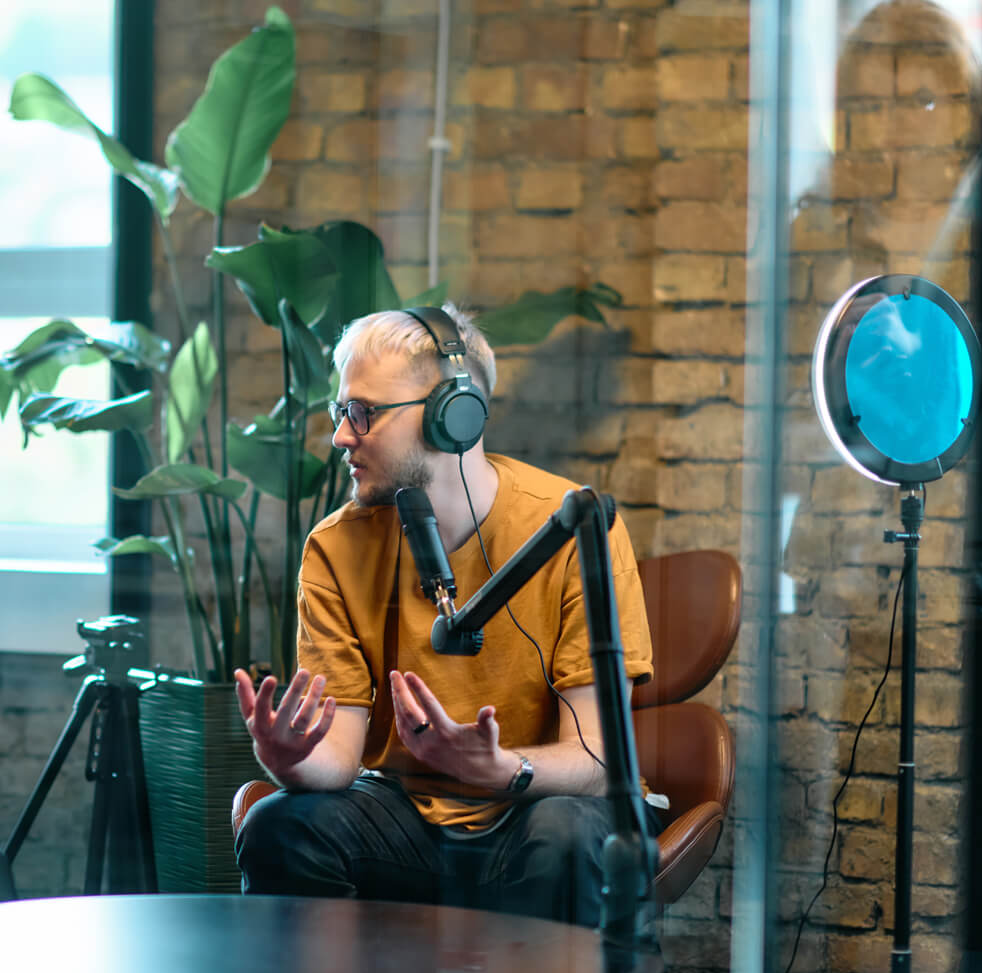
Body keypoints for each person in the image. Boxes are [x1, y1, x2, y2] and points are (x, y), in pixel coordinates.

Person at [233, 304, 662, 927]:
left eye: (364, 413)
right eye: (341, 412)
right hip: (408, 815)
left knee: (564, 837)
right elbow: (341, 756)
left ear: (452, 417)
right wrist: (289, 758)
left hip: (540, 809)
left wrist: (500, 769)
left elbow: (599, 762)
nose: (341, 436)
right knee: (282, 826)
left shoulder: (571, 527)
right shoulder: (336, 547)